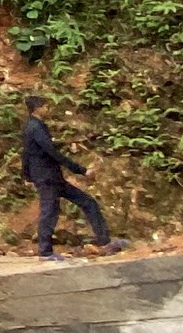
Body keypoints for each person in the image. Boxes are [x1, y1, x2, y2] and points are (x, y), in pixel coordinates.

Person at [23, 96, 121, 260]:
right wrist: (81, 170)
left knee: (87, 202)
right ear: (37, 108)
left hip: (52, 177)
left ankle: (104, 241)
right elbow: (52, 153)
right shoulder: (36, 128)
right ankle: (45, 252)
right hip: (47, 178)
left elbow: (25, 153)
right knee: (49, 212)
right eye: (45, 106)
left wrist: (27, 175)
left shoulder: (31, 126)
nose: (48, 109)